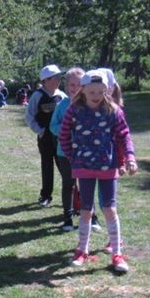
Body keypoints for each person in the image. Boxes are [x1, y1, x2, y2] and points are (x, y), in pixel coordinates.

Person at [59, 69, 138, 273]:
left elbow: (124, 135)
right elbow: (64, 134)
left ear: (107, 90)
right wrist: (72, 157)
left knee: (110, 209)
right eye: (92, 92)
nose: (96, 96)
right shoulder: (74, 110)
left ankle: (117, 254)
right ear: (83, 90)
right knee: (86, 210)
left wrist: (130, 158)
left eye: (100, 92)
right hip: (83, 168)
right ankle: (82, 250)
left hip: (108, 167)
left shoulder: (113, 110)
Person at [49, 68, 89, 232]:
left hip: (86, 152)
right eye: (72, 85)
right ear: (66, 86)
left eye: (79, 84)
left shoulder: (89, 104)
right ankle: (67, 219)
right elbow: (53, 126)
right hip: (64, 152)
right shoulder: (61, 105)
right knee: (68, 185)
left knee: (87, 185)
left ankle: (91, 217)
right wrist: (66, 129)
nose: (75, 88)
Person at [25, 65, 67, 207]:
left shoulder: (62, 96)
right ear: (46, 80)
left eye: (59, 77)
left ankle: (72, 196)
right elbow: (29, 116)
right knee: (47, 166)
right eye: (56, 77)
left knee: (65, 167)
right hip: (46, 137)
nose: (59, 80)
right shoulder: (37, 96)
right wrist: (40, 131)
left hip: (61, 137)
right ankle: (46, 196)